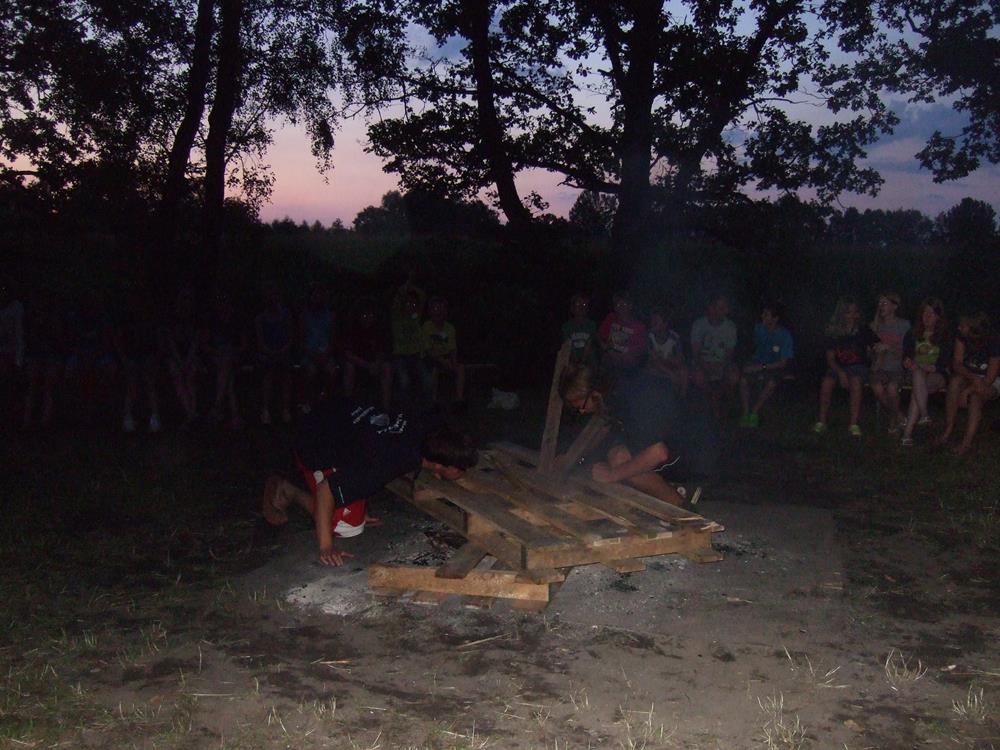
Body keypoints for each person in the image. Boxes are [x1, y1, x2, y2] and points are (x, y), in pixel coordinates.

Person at [261, 396, 478, 565]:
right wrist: (326, 546)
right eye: (460, 468)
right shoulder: (390, 460)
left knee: (359, 479)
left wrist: (358, 490)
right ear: (438, 465)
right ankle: (288, 489)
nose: (464, 471)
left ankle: (351, 491)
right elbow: (327, 489)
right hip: (314, 442)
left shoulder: (429, 429)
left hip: (342, 419)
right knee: (348, 526)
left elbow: (368, 449)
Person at [557, 364, 688, 507]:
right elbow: (602, 428)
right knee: (617, 455)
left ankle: (683, 509)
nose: (581, 412)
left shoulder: (634, 398)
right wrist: (572, 457)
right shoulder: (613, 392)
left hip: (685, 451)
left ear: (593, 394)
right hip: (667, 442)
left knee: (623, 465)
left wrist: (611, 475)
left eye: (580, 407)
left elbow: (659, 453)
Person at [813, 298, 880, 437]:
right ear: (842, 314)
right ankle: (822, 421)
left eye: (854, 312)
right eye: (848, 312)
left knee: (855, 381)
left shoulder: (863, 330)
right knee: (826, 382)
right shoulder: (834, 332)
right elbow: (830, 359)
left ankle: (853, 424)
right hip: (838, 367)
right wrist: (841, 373)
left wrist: (875, 360)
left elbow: (877, 347)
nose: (852, 315)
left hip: (858, 367)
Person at [935, 312, 1000, 455]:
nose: (959, 328)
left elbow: (990, 378)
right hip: (970, 376)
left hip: (992, 381)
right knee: (955, 381)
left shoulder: (993, 340)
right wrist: (972, 378)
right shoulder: (962, 337)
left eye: (962, 325)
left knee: (975, 397)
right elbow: (957, 364)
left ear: (973, 327)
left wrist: (967, 391)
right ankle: (949, 428)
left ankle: (966, 443)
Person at [899, 298, 950, 447]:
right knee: (918, 378)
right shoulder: (912, 334)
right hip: (915, 373)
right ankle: (924, 415)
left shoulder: (945, 336)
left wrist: (929, 367)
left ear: (938, 316)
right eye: (925, 312)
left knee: (919, 387)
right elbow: (906, 356)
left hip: (936, 374)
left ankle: (908, 434)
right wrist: (907, 362)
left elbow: (945, 362)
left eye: (932, 313)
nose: (927, 316)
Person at [114, 287, 163, 433]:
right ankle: (127, 417)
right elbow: (118, 339)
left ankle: (154, 417)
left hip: (148, 356)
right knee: (132, 383)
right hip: (131, 356)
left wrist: (157, 358)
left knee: (150, 381)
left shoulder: (151, 318)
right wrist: (123, 358)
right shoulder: (126, 318)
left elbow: (158, 340)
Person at [738, 301, 793, 427]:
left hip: (775, 365)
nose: (762, 316)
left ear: (775, 319)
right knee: (743, 380)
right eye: (763, 313)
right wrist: (751, 365)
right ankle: (745, 412)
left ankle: (754, 412)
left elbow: (782, 363)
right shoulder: (758, 329)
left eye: (766, 314)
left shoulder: (785, 335)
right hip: (758, 361)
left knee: (771, 383)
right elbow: (752, 348)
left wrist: (760, 367)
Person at [869, 291, 911, 434]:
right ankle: (899, 416)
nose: (881, 306)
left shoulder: (904, 325)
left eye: (885, 303)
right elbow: (868, 353)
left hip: (897, 367)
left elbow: (908, 351)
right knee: (877, 388)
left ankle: (893, 422)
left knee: (892, 388)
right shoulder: (874, 326)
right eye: (879, 303)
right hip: (879, 367)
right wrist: (874, 351)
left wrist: (889, 347)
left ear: (895, 306)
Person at [690, 293, 739, 417]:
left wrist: (721, 366)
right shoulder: (699, 325)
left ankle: (726, 404)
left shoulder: (730, 327)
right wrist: (705, 366)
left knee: (733, 376)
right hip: (703, 362)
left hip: (722, 363)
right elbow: (696, 353)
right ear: (711, 308)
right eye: (721, 308)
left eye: (726, 307)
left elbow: (729, 354)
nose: (726, 311)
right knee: (699, 377)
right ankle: (712, 403)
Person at [22, 293, 64, 429]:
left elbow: (58, 340)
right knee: (32, 386)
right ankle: (27, 421)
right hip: (36, 356)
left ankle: (44, 422)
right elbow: (29, 339)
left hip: (52, 357)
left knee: (48, 386)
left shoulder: (55, 319)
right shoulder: (32, 319)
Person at [205, 289, 245, 429]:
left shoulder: (236, 319)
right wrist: (217, 352)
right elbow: (205, 345)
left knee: (227, 358)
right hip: (216, 357)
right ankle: (235, 415)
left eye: (224, 300)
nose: (222, 303)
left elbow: (243, 345)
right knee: (229, 378)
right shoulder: (212, 320)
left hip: (233, 357)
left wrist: (231, 351)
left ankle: (216, 408)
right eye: (220, 300)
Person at [343, 298, 393, 411]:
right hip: (360, 364)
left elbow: (385, 350)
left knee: (387, 367)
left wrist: (377, 363)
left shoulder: (379, 328)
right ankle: (348, 404)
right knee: (349, 366)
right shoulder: (353, 328)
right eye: (364, 315)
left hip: (375, 364)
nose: (368, 318)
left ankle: (386, 408)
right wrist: (367, 365)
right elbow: (347, 353)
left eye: (370, 315)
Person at [255, 282, 294, 425]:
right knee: (268, 371)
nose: (272, 298)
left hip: (283, 352)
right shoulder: (260, 318)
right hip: (266, 353)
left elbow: (291, 338)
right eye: (270, 295)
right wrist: (271, 352)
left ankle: (285, 409)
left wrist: (282, 350)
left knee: (286, 372)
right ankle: (265, 410)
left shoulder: (287, 315)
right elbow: (260, 343)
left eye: (275, 295)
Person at [298, 283, 339, 409]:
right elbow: (301, 339)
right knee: (310, 372)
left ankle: (326, 399)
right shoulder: (304, 316)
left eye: (320, 295)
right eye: (315, 295)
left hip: (327, 354)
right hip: (309, 354)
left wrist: (327, 354)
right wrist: (311, 354)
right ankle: (307, 400)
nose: (318, 298)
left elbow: (333, 338)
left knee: (332, 371)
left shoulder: (331, 316)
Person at [389, 280, 430, 400]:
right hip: (400, 357)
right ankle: (403, 406)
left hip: (416, 357)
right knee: (404, 381)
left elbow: (423, 297)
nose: (411, 305)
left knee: (428, 381)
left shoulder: (416, 316)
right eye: (408, 303)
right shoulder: (396, 316)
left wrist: (412, 286)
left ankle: (425, 405)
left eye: (414, 303)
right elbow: (396, 301)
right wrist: (404, 288)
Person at [422, 296, 466, 406]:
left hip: (445, 356)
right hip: (430, 357)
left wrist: (453, 362)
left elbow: (452, 348)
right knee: (434, 368)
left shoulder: (449, 327)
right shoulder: (426, 327)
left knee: (460, 367)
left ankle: (459, 399)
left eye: (441, 308)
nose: (438, 311)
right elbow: (427, 350)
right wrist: (442, 361)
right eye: (435, 308)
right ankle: (433, 400)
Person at [597, 291, 647, 375]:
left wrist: (625, 356)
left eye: (624, 304)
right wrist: (606, 348)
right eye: (618, 305)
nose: (621, 307)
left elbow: (641, 349)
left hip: (627, 364)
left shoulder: (639, 326)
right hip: (610, 359)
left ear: (630, 306)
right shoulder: (611, 318)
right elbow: (599, 336)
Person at [645, 305, 687, 398]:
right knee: (652, 368)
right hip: (656, 367)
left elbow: (679, 360)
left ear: (665, 324)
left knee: (683, 372)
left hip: (670, 365)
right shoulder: (649, 336)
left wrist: (669, 362)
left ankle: (682, 397)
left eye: (656, 321)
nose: (652, 323)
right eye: (652, 320)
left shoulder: (675, 338)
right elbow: (653, 359)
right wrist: (670, 374)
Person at [561, 293, 597, 365]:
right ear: (572, 308)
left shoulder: (592, 325)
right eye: (578, 304)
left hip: (588, 362)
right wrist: (575, 361)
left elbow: (590, 345)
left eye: (584, 304)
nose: (581, 307)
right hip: (571, 362)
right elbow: (568, 346)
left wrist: (583, 361)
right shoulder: (566, 327)